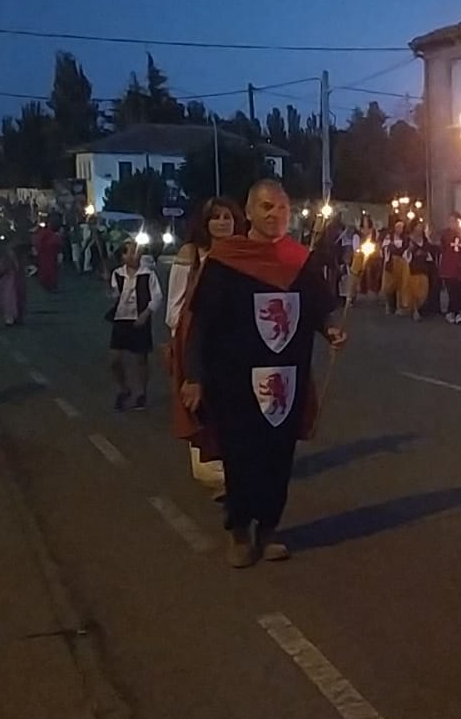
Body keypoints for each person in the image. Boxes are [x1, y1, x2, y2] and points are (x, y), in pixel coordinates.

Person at [179, 179, 345, 568]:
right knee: (240, 456)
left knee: (278, 456)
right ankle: (239, 530)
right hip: (233, 378)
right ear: (249, 212)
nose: (275, 215)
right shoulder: (225, 261)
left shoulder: (299, 260)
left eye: (282, 208)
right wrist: (194, 376)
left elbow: (319, 308)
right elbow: (201, 324)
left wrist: (331, 329)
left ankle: (268, 529)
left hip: (286, 378)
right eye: (267, 208)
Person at [168, 196, 245, 500]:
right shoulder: (192, 255)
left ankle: (234, 474)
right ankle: (216, 476)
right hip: (196, 343)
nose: (223, 223)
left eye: (228, 217)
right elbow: (176, 308)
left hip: (235, 347)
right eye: (216, 218)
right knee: (203, 412)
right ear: (205, 223)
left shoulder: (243, 254)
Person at [107, 240, 163, 412]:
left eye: (136, 252)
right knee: (114, 360)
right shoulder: (117, 274)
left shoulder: (148, 274)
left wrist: (146, 314)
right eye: (130, 252)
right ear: (123, 256)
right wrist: (109, 290)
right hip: (121, 319)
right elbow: (115, 295)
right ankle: (124, 388)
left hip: (140, 319)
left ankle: (141, 393)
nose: (134, 255)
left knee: (141, 359)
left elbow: (157, 297)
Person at [403, 222, 438, 320]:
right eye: (417, 227)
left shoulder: (425, 241)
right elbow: (404, 256)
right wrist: (410, 250)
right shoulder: (408, 240)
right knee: (414, 290)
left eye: (420, 227)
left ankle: (418, 307)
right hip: (412, 269)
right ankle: (415, 311)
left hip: (423, 269)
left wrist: (426, 254)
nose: (419, 229)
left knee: (423, 292)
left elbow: (430, 253)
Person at [0, 236, 27, 326]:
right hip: (11, 277)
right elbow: (17, 266)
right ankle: (14, 316)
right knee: (12, 297)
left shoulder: (2, 254)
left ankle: (10, 317)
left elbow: (1, 267)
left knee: (7, 297)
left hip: (7, 278)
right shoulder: (13, 254)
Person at [380, 219, 409, 315]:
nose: (399, 229)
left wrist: (398, 250)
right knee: (389, 286)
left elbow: (405, 249)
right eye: (398, 227)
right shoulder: (389, 237)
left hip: (401, 263)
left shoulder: (405, 238)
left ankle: (399, 306)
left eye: (401, 227)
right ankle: (389, 305)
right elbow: (385, 247)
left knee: (400, 285)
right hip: (391, 262)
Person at [34, 221, 62, 292]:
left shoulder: (43, 234)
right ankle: (51, 285)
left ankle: (47, 285)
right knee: (51, 270)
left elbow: (38, 243)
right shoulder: (52, 235)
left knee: (46, 270)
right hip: (49, 255)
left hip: (45, 254)